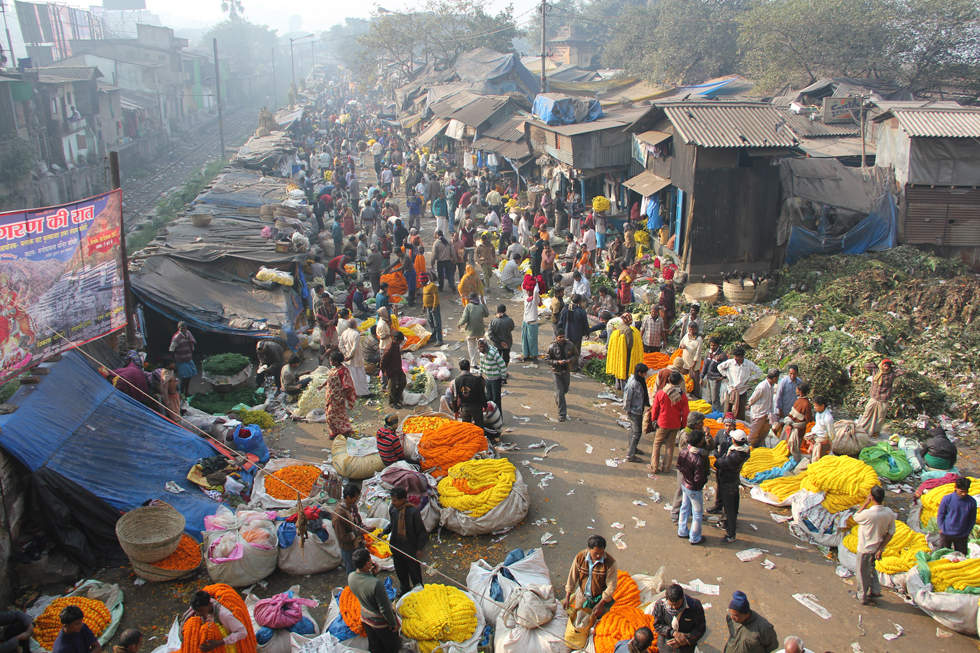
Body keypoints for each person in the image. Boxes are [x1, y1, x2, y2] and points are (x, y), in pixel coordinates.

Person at [348, 547, 401, 653]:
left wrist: (372, 574)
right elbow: (384, 609)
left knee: (375, 647)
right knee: (392, 647)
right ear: (367, 564)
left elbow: (364, 586)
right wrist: (393, 623)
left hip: (366, 619)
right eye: (370, 559)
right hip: (379, 623)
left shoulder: (351, 577)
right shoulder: (376, 584)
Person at [851, 486, 896, 605]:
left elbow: (855, 517)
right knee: (871, 569)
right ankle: (875, 591)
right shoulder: (889, 512)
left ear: (872, 497)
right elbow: (891, 532)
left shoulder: (868, 514)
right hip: (877, 548)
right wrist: (881, 548)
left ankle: (862, 596)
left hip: (865, 548)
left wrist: (866, 503)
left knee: (862, 573)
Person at [382, 486, 428, 596]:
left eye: (394, 501)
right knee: (400, 571)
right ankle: (404, 589)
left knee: (414, 573)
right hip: (396, 546)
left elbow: (422, 532)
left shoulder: (412, 512)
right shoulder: (393, 509)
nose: (392, 503)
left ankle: (419, 591)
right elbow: (392, 524)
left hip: (410, 548)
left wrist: (420, 548)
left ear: (402, 500)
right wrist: (384, 532)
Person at [563, 535, 618, 625]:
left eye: (601, 553)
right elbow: (572, 577)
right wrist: (567, 597)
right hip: (582, 595)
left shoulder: (610, 563)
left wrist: (600, 604)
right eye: (595, 553)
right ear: (589, 549)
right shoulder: (580, 557)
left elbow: (611, 586)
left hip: (600, 598)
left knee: (599, 623)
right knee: (579, 620)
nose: (599, 555)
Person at [183, 589, 255, 653]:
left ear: (209, 604)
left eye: (201, 611)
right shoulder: (198, 605)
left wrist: (219, 643)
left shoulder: (224, 615)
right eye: (197, 611)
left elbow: (242, 632)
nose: (199, 614)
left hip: (225, 647)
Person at [649, 371, 690, 474]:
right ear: (680, 381)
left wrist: (654, 420)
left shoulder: (661, 393)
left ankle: (654, 467)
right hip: (675, 424)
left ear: (668, 380)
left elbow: (655, 408)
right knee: (670, 446)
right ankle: (666, 468)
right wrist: (683, 425)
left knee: (657, 444)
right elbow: (685, 413)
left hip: (662, 423)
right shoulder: (682, 395)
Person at [715, 430, 751, 544]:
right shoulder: (745, 450)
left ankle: (731, 534)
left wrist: (719, 456)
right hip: (734, 481)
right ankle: (726, 523)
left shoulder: (735, 456)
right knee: (733, 506)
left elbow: (718, 464)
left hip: (728, 483)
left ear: (734, 440)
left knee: (730, 509)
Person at [676, 429, 709, 545]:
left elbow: (679, 466)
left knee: (684, 507)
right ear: (700, 442)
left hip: (685, 484)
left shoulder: (684, 452)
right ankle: (695, 538)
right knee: (697, 513)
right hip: (694, 488)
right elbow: (699, 478)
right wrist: (701, 483)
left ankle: (682, 530)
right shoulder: (698, 459)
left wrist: (686, 475)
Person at [652, 584, 706, 653]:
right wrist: (673, 633)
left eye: (677, 604)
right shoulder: (660, 606)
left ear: (683, 597)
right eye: (671, 605)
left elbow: (700, 629)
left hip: (686, 649)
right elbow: (657, 625)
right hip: (665, 646)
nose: (674, 607)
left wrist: (684, 640)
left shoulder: (695, 607)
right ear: (666, 599)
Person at [717, 349, 764, 421]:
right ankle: (727, 422)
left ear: (742, 357)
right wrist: (726, 375)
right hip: (731, 389)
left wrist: (749, 379)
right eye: (735, 357)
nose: (736, 358)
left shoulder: (749, 364)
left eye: (737, 357)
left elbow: (759, 372)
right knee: (728, 408)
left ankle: (739, 424)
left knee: (740, 409)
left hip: (742, 390)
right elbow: (719, 367)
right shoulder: (730, 362)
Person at [858, 359, 898, 437]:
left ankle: (875, 432)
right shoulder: (876, 371)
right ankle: (862, 429)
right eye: (885, 366)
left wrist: (894, 367)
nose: (886, 368)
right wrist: (875, 364)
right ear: (881, 365)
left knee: (880, 417)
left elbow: (901, 372)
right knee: (867, 413)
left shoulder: (891, 375)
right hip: (874, 397)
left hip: (884, 399)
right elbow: (866, 365)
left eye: (888, 367)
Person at [321, 351, 356, 439]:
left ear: (336, 361)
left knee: (331, 415)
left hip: (337, 398)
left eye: (331, 360)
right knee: (335, 415)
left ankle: (341, 430)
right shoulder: (334, 369)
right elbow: (329, 378)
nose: (330, 362)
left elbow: (347, 385)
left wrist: (342, 397)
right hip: (330, 396)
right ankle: (335, 432)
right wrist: (322, 385)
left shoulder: (343, 371)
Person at [332, 483, 366, 573]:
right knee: (352, 573)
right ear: (348, 498)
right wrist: (358, 533)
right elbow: (342, 537)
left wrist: (364, 528)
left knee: (362, 570)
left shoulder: (353, 507)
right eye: (355, 498)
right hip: (349, 549)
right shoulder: (339, 516)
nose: (356, 500)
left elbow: (358, 522)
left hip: (359, 544)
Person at [937, 477, 976, 554]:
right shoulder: (947, 499)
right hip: (946, 533)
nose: (964, 494)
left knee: (961, 556)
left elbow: (972, 519)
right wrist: (941, 527)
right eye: (961, 491)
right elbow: (941, 514)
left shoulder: (971, 502)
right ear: (955, 488)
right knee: (943, 555)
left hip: (962, 535)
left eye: (966, 491)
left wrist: (968, 531)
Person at [548, 329, 578, 423]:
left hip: (566, 371)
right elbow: (547, 359)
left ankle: (557, 396)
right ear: (556, 337)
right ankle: (562, 414)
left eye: (563, 337)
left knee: (565, 390)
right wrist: (557, 362)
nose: (562, 339)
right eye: (560, 337)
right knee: (560, 392)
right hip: (556, 372)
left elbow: (576, 354)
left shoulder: (570, 345)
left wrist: (570, 360)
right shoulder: (551, 347)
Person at [623, 363, 651, 462]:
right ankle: (630, 455)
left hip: (639, 409)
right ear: (640, 373)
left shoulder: (640, 381)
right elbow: (627, 398)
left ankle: (632, 448)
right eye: (644, 373)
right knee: (636, 432)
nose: (646, 374)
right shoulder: (632, 383)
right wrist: (628, 411)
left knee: (633, 430)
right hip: (634, 411)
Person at [746, 369, 779, 448]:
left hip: (767, 413)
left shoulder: (771, 386)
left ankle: (759, 446)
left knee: (764, 432)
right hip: (759, 413)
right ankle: (749, 447)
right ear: (775, 378)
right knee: (754, 433)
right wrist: (749, 405)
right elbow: (752, 399)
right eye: (777, 378)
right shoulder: (762, 387)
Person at [450, 359, 487, 427]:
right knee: (479, 427)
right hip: (477, 408)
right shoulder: (476, 380)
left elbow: (454, 398)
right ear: (469, 368)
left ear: (460, 368)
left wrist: (456, 411)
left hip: (465, 408)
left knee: (467, 428)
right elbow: (482, 394)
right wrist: (485, 406)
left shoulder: (456, 381)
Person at [782, 382, 813, 462]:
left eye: (796, 389)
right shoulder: (804, 402)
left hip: (798, 429)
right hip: (796, 427)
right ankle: (793, 460)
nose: (796, 391)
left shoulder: (803, 403)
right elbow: (809, 419)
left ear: (800, 392)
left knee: (795, 446)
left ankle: (795, 461)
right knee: (795, 446)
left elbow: (809, 419)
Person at [340, 319, 370, 396]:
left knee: (351, 376)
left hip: (347, 359)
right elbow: (354, 348)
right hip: (355, 358)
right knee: (359, 377)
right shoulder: (356, 334)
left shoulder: (344, 333)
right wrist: (349, 356)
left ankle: (352, 391)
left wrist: (345, 354)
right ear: (355, 325)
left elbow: (340, 345)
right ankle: (363, 392)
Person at [458, 293, 489, 363]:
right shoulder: (481, 306)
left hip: (470, 331)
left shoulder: (468, 306)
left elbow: (465, 318)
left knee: (471, 347)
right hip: (480, 330)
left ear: (470, 299)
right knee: (482, 346)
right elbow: (486, 314)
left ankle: (473, 362)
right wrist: (484, 304)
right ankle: (483, 362)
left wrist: (459, 323)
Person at [700, 338, 728, 413]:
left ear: (718, 345)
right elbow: (705, 366)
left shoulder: (722, 355)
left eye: (714, 345)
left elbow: (726, 368)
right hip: (709, 378)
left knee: (715, 399)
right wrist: (701, 377)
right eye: (711, 345)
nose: (712, 347)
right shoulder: (708, 353)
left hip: (716, 379)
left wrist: (721, 377)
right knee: (709, 398)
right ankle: (710, 412)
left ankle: (717, 413)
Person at [169, 321, 196, 397]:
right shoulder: (176, 338)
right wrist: (173, 361)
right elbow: (171, 350)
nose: (184, 330)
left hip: (188, 359)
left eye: (185, 328)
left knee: (189, 377)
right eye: (182, 328)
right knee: (184, 378)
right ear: (178, 328)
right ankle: (181, 393)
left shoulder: (188, 334)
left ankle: (186, 392)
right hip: (181, 361)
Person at [478, 338, 507, 411]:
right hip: (488, 378)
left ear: (486, 345)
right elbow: (482, 363)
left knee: (496, 399)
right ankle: (491, 415)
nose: (482, 348)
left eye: (483, 346)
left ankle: (498, 415)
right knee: (488, 397)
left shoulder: (493, 353)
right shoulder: (481, 353)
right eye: (480, 347)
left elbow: (502, 364)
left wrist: (503, 377)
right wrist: (480, 373)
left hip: (496, 379)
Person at [380, 331, 406, 407]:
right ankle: (392, 402)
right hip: (391, 370)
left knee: (403, 381)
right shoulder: (389, 348)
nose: (401, 342)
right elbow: (383, 359)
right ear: (397, 340)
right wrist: (383, 368)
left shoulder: (396, 345)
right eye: (401, 341)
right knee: (392, 386)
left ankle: (397, 397)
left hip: (397, 367)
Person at [677, 323, 703, 397]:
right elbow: (681, 343)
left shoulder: (699, 339)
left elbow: (698, 353)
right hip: (685, 361)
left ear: (696, 329)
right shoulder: (687, 335)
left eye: (693, 329)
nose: (691, 331)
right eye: (690, 329)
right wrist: (682, 346)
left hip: (694, 363)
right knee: (683, 378)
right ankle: (683, 393)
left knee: (695, 379)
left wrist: (694, 364)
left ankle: (696, 395)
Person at [807, 396, 834, 462]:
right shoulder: (818, 414)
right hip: (816, 438)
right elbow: (817, 426)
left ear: (822, 406)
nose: (814, 408)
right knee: (813, 458)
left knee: (819, 459)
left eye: (816, 406)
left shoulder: (828, 418)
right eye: (814, 406)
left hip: (822, 442)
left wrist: (829, 441)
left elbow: (831, 433)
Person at [420, 274, 443, 346]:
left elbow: (436, 297)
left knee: (437, 323)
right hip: (428, 307)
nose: (420, 283)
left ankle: (439, 340)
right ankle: (434, 336)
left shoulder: (432, 286)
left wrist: (434, 307)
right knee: (430, 321)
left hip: (434, 307)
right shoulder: (425, 287)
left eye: (421, 281)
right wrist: (424, 306)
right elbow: (425, 297)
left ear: (424, 281)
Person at [522, 278, 541, 361]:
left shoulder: (535, 300)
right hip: (525, 321)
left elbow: (536, 292)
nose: (528, 291)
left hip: (532, 322)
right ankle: (526, 355)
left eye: (530, 290)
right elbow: (523, 287)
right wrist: (526, 280)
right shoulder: (526, 298)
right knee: (525, 339)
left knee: (532, 340)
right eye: (528, 290)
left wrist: (536, 283)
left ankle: (534, 356)